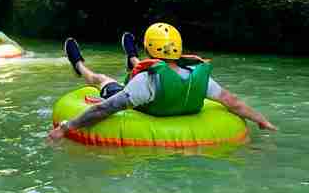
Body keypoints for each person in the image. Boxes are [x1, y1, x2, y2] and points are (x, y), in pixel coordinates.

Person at [48, 22, 277, 141]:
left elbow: (105, 108)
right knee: (149, 68)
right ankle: (131, 57)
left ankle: (79, 65)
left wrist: (66, 127)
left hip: (141, 92)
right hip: (152, 81)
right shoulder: (196, 73)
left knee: (101, 80)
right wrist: (261, 120)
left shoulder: (145, 82)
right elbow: (233, 101)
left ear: (150, 48)